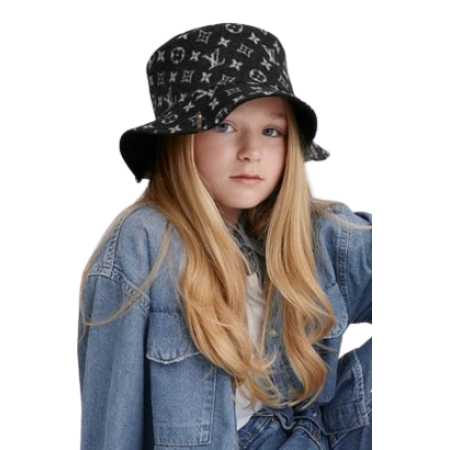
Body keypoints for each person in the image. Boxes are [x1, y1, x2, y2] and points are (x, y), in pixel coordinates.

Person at [77, 22, 372, 449]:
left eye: (271, 131)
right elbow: (111, 423)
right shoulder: (144, 242)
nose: (251, 151)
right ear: (179, 140)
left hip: (309, 436)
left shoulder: (308, 232)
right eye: (223, 126)